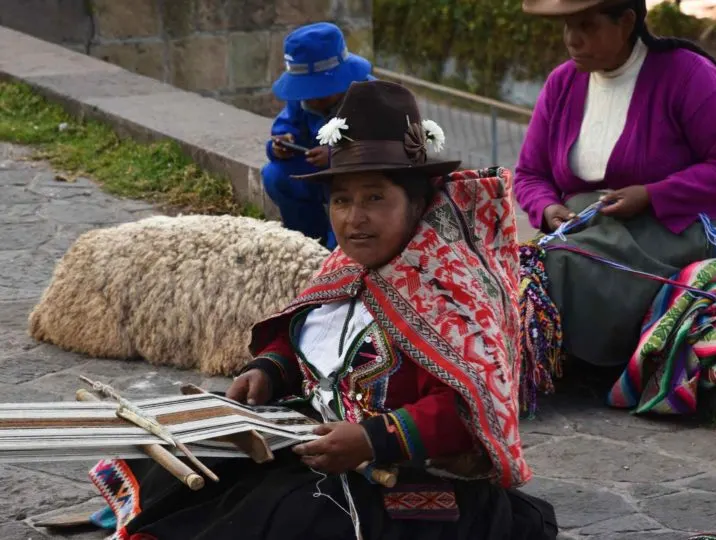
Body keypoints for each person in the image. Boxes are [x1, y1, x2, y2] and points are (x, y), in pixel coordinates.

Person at [89, 81, 558, 540]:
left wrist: (373, 440)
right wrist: (269, 371)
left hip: (412, 475)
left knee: (295, 511)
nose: (355, 218)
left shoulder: (454, 290)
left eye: (375, 197)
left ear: (417, 201)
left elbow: (470, 409)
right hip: (313, 439)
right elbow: (305, 341)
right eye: (341, 199)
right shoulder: (345, 267)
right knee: (193, 451)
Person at [514, 0, 716, 380]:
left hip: (668, 228)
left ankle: (560, 365)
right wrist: (546, 208)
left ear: (626, 22)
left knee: (563, 265)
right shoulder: (563, 83)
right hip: (588, 228)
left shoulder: (687, 75)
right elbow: (529, 173)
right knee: (534, 262)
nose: (572, 40)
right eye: (567, 27)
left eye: (587, 26)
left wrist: (652, 194)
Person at [262, 22, 374, 249]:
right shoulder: (301, 99)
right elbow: (286, 126)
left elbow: (383, 148)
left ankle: (336, 251)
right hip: (317, 177)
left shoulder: (372, 97)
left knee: (341, 241)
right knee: (275, 175)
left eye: (317, 92)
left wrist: (337, 155)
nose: (311, 99)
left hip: (360, 182)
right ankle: (308, 240)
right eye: (305, 92)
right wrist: (280, 145)